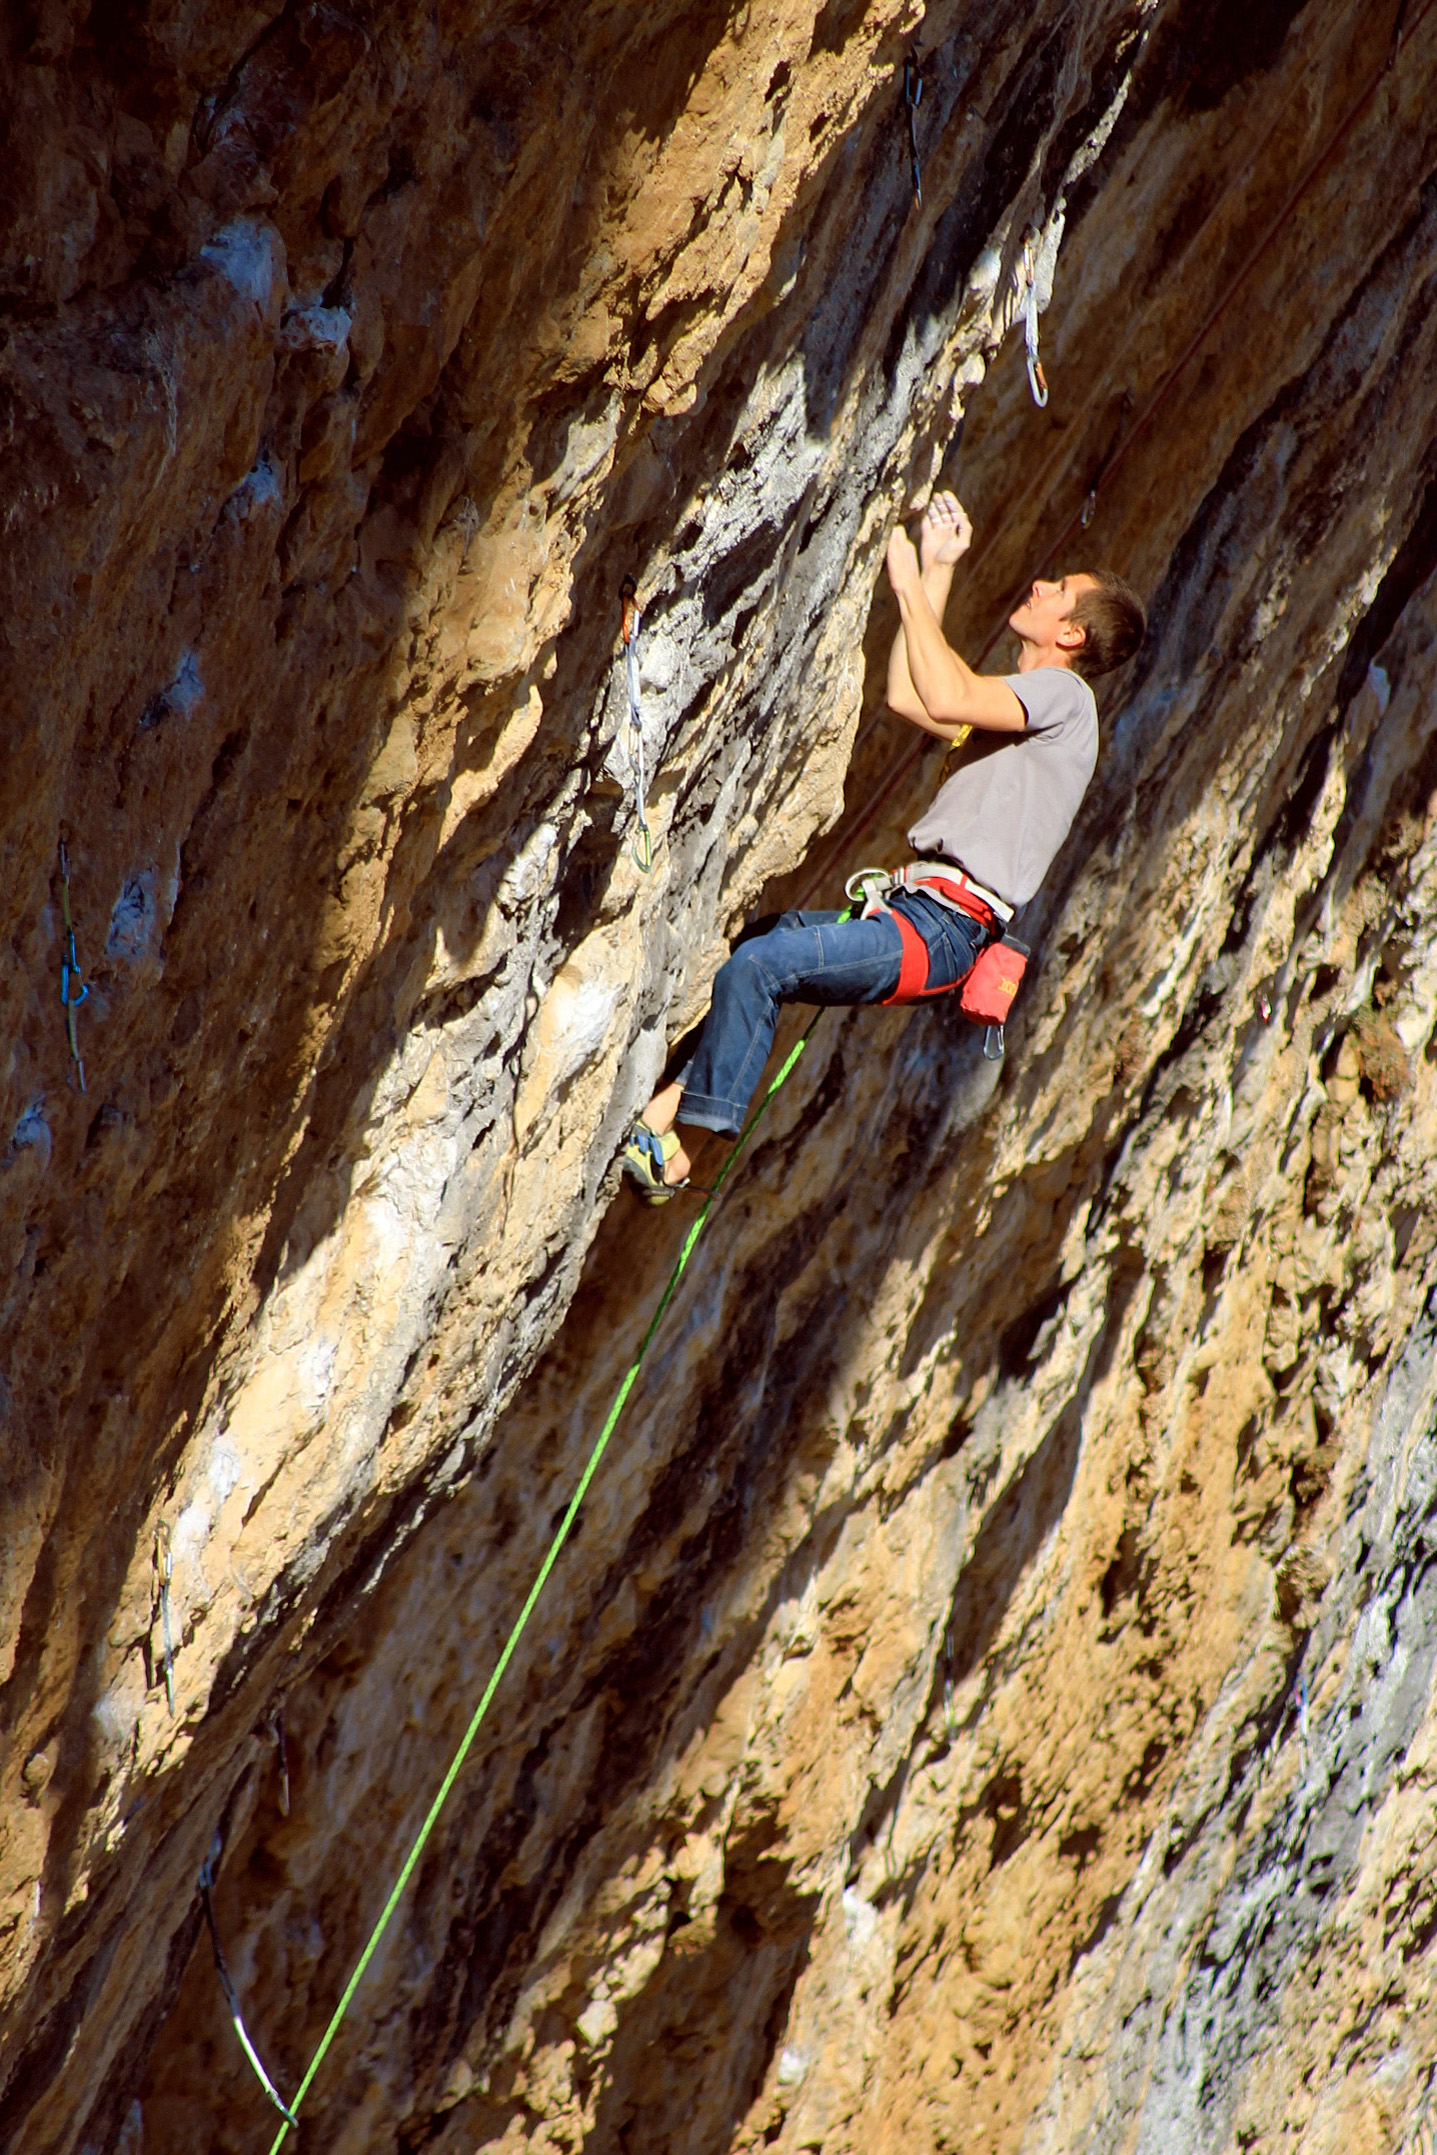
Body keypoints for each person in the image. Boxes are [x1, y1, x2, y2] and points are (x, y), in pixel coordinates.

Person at [621, 492, 1145, 1200]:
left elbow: (949, 691)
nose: (1040, 585)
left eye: (1059, 592)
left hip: (942, 928)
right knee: (763, 939)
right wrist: (932, 570)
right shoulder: (1025, 709)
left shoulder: (1064, 697)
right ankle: (660, 1130)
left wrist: (904, 583)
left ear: (1072, 634)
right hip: (917, 914)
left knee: (763, 966)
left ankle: (678, 1143)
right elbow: (912, 695)